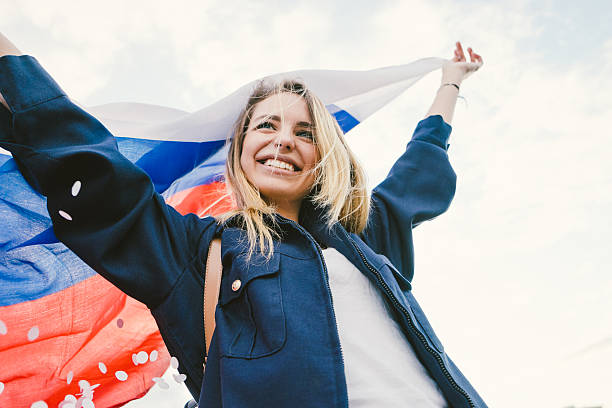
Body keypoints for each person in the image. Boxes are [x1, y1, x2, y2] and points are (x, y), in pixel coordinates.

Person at [0, 32, 485, 407]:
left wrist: (451, 81)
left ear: (325, 154)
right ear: (242, 149)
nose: (283, 140)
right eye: (266, 125)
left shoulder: (364, 237)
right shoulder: (195, 252)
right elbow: (102, 181)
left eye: (305, 131)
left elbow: (419, 171)